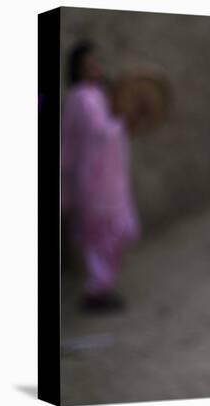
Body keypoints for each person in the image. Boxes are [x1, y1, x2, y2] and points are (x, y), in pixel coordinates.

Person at [61, 40, 140, 313]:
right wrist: (124, 123)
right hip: (94, 183)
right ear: (78, 69)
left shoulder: (96, 96)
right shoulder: (81, 97)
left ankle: (103, 286)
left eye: (96, 62)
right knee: (100, 237)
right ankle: (96, 290)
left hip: (108, 183)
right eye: (89, 64)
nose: (95, 67)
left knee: (111, 235)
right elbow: (99, 134)